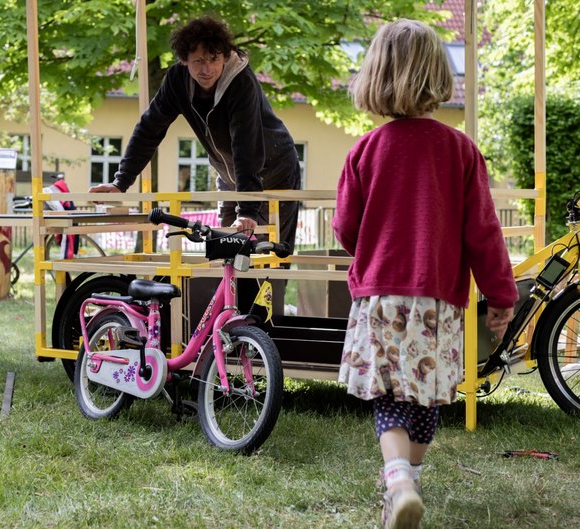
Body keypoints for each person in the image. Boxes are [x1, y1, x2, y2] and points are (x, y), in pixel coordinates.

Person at [331, 19, 517, 529]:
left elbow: (346, 228)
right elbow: (483, 232)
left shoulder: (364, 151)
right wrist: (501, 294)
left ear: (375, 77)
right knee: (426, 394)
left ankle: (397, 480)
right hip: (438, 302)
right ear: (438, 74)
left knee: (388, 395)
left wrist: (370, 244)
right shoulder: (460, 150)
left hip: (381, 296)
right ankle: (407, 480)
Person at [88, 15, 301, 251]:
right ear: (184, 61)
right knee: (224, 250)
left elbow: (246, 145)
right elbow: (149, 129)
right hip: (231, 175)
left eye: (213, 59)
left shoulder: (241, 82)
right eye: (198, 61)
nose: (207, 69)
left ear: (225, 55)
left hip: (274, 169)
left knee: (269, 251)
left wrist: (248, 209)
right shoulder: (177, 81)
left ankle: (271, 283)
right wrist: (121, 182)